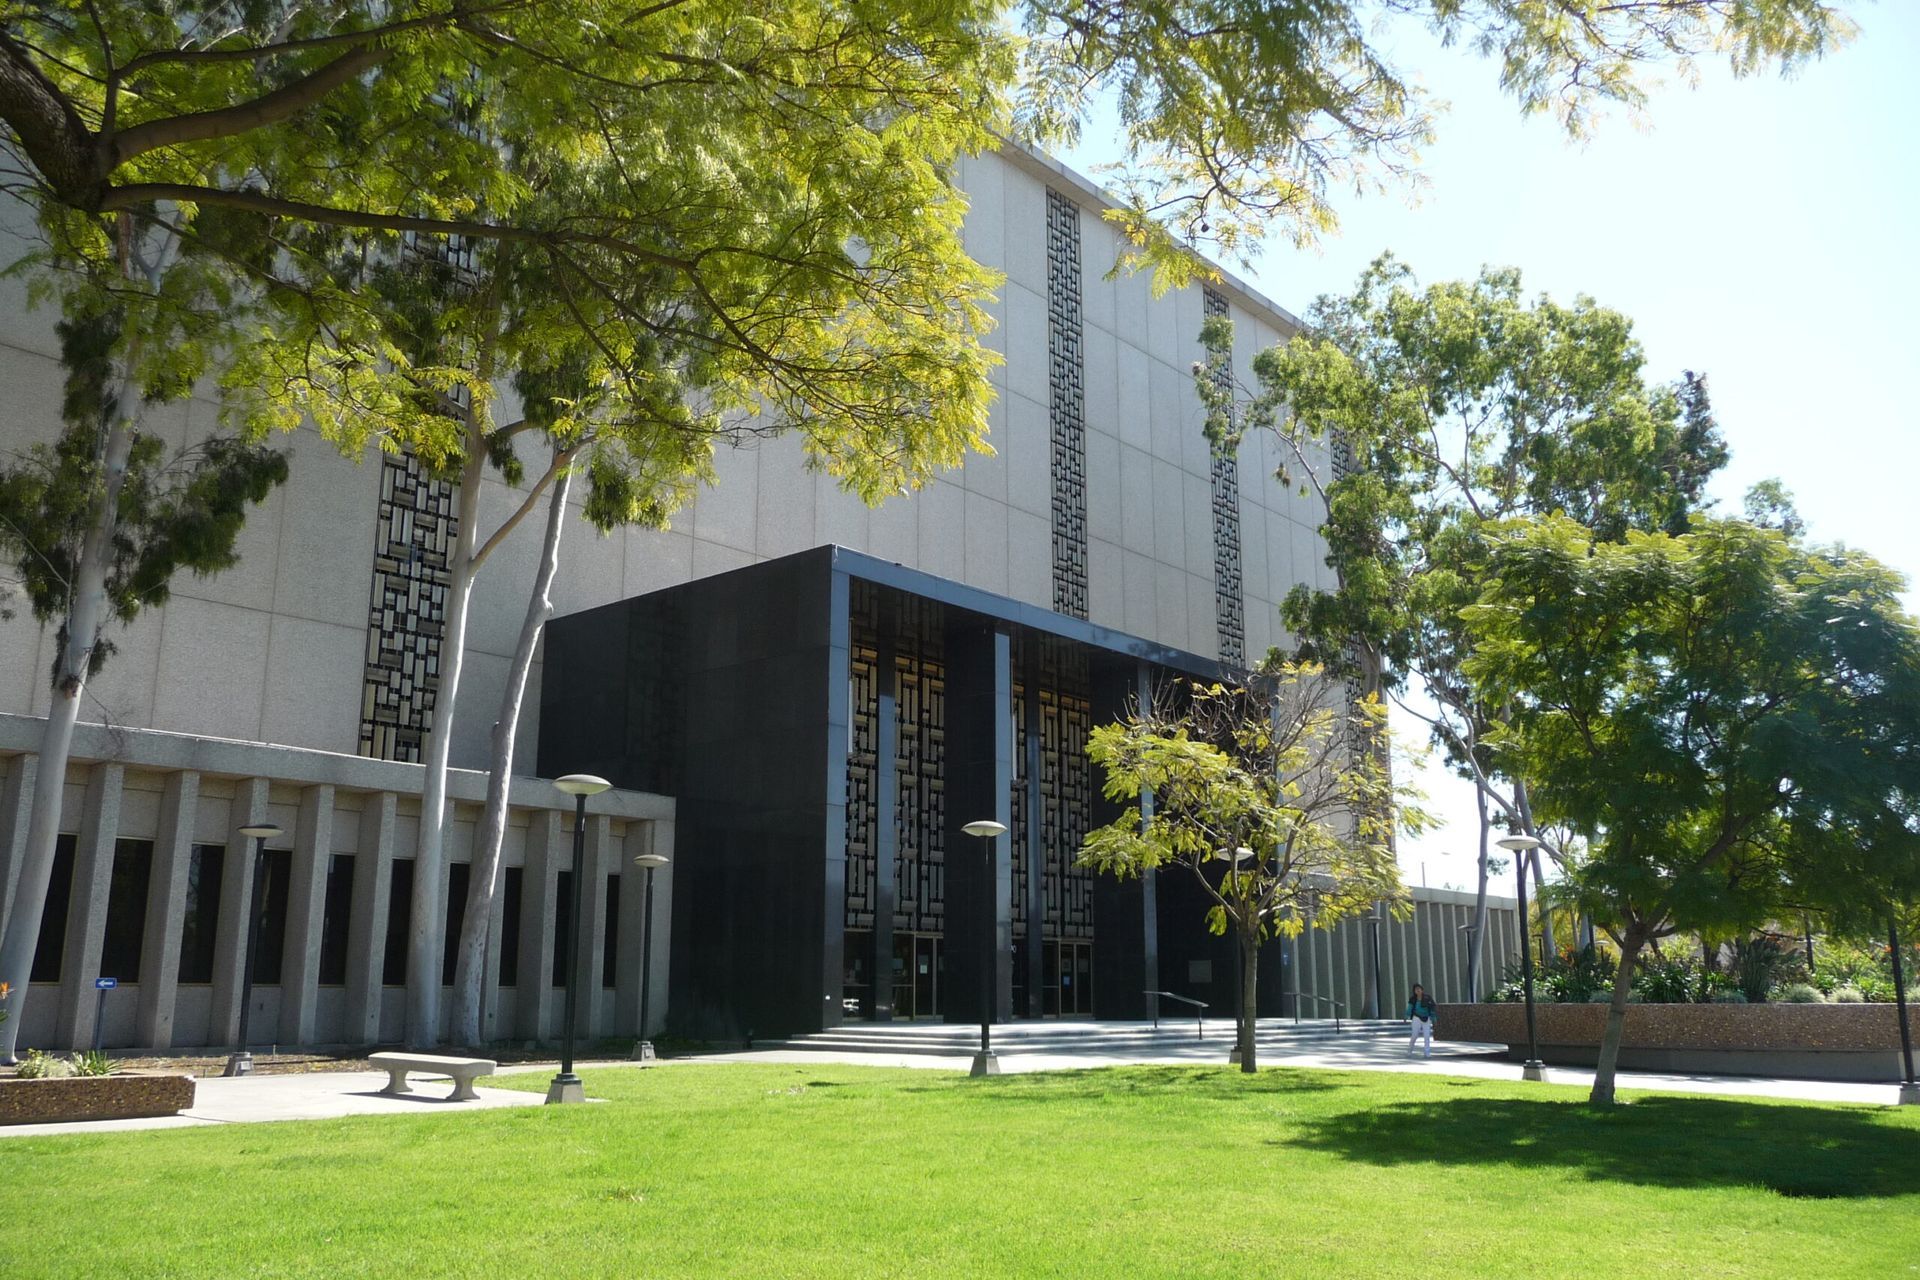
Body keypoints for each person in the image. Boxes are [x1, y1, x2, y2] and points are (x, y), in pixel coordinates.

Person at [1405, 983, 1437, 1058]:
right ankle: (1409, 1051)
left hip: (1426, 1018)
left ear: (1422, 990)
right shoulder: (1413, 999)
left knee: (1427, 1036)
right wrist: (1406, 1016)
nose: (1418, 990)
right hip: (1416, 1018)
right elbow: (1409, 1008)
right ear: (1414, 991)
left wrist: (1433, 1018)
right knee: (1414, 1035)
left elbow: (1432, 1008)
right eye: (1416, 990)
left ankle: (1427, 1053)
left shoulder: (1428, 998)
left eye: (1419, 989)